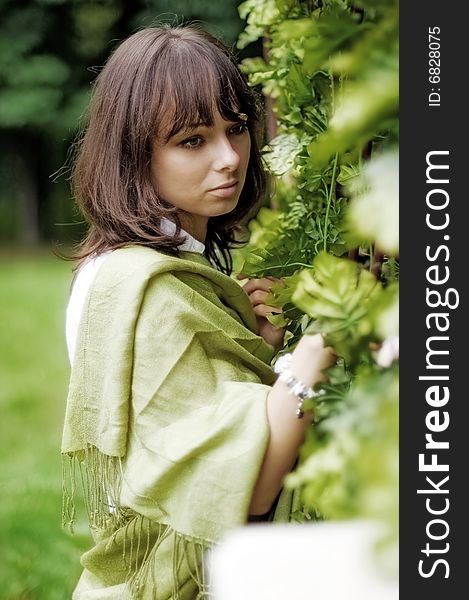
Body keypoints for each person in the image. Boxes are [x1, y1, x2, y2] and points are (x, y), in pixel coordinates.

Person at [62, 24, 335, 600]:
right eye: (192, 140)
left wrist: (251, 348)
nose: (229, 158)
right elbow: (248, 486)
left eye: (236, 130)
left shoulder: (136, 265)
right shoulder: (145, 289)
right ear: (133, 152)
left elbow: (181, 424)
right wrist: (304, 364)